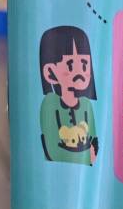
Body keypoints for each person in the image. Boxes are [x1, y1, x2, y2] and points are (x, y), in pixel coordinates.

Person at [39, 25, 99, 166]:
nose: (80, 72)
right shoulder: (50, 103)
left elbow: (94, 143)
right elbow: (53, 150)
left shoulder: (86, 104)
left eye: (84, 65)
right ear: (50, 72)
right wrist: (86, 156)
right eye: (70, 65)